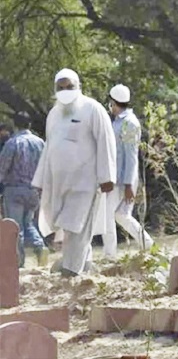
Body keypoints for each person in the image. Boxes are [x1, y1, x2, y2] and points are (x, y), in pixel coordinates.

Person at [33, 68, 116, 277]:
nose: (65, 91)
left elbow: (106, 142)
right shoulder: (53, 114)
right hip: (59, 183)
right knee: (66, 226)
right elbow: (49, 147)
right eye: (60, 88)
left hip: (85, 181)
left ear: (79, 87)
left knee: (76, 225)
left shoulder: (93, 109)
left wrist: (107, 177)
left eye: (69, 87)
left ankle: (71, 270)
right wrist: (41, 180)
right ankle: (84, 265)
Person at [102, 84, 154, 259]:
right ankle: (147, 243)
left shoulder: (129, 123)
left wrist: (128, 184)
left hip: (121, 179)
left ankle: (110, 255)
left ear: (113, 102)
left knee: (109, 216)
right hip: (114, 177)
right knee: (120, 215)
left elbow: (131, 155)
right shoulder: (117, 121)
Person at [0, 111, 47, 267]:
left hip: (14, 189)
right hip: (34, 190)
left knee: (15, 227)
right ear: (30, 125)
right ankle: (40, 247)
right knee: (28, 223)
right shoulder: (40, 143)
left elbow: (3, 167)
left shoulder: (13, 143)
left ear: (15, 124)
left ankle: (18, 261)